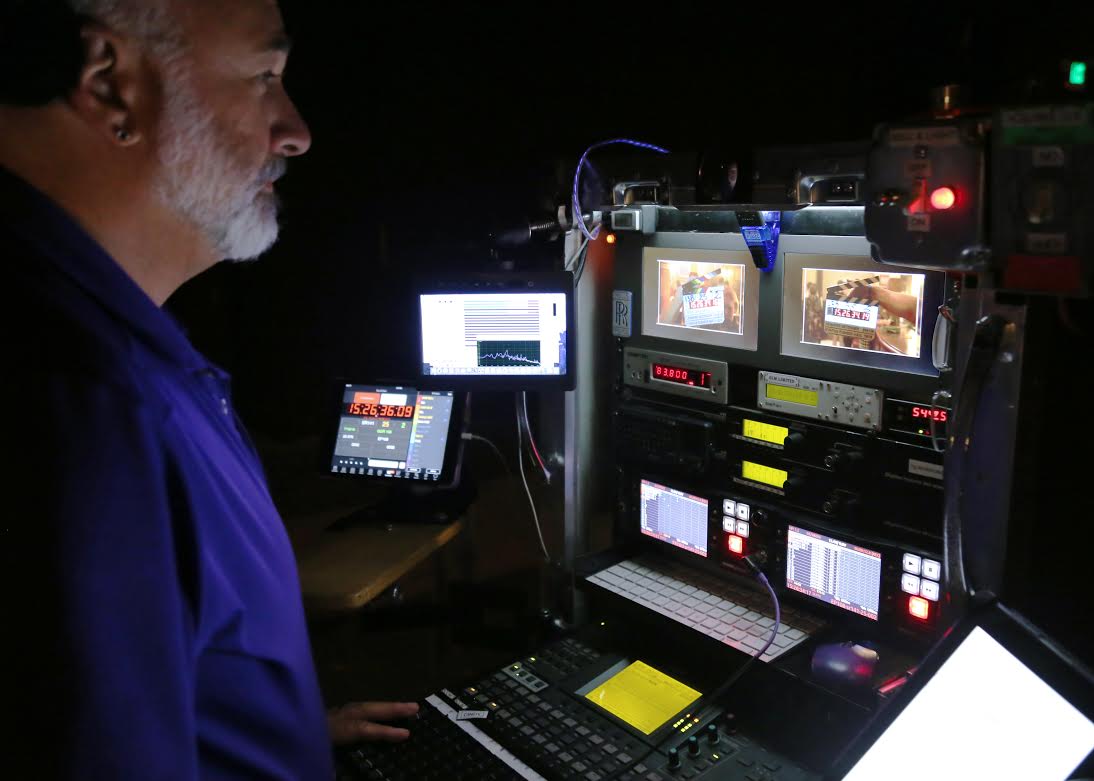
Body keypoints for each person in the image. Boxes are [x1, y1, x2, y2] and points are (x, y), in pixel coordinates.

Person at [1, 0, 417, 777]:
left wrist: (278, 733)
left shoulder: (127, 344)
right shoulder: (85, 406)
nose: (295, 131)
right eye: (264, 75)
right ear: (111, 84)